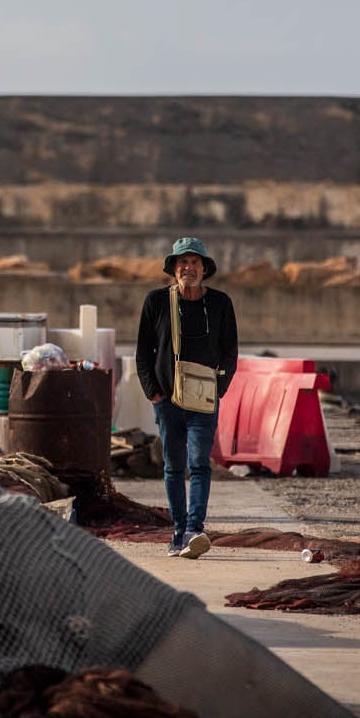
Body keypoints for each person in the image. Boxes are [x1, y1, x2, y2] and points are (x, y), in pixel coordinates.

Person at [134, 236, 238, 558]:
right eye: (182, 263)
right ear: (173, 269)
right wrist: (154, 393)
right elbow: (142, 354)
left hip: (204, 402)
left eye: (194, 263)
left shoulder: (220, 304)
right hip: (167, 402)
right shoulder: (156, 302)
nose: (188, 268)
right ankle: (178, 531)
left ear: (204, 269)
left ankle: (195, 528)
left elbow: (230, 352)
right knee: (173, 466)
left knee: (199, 464)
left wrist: (218, 389)